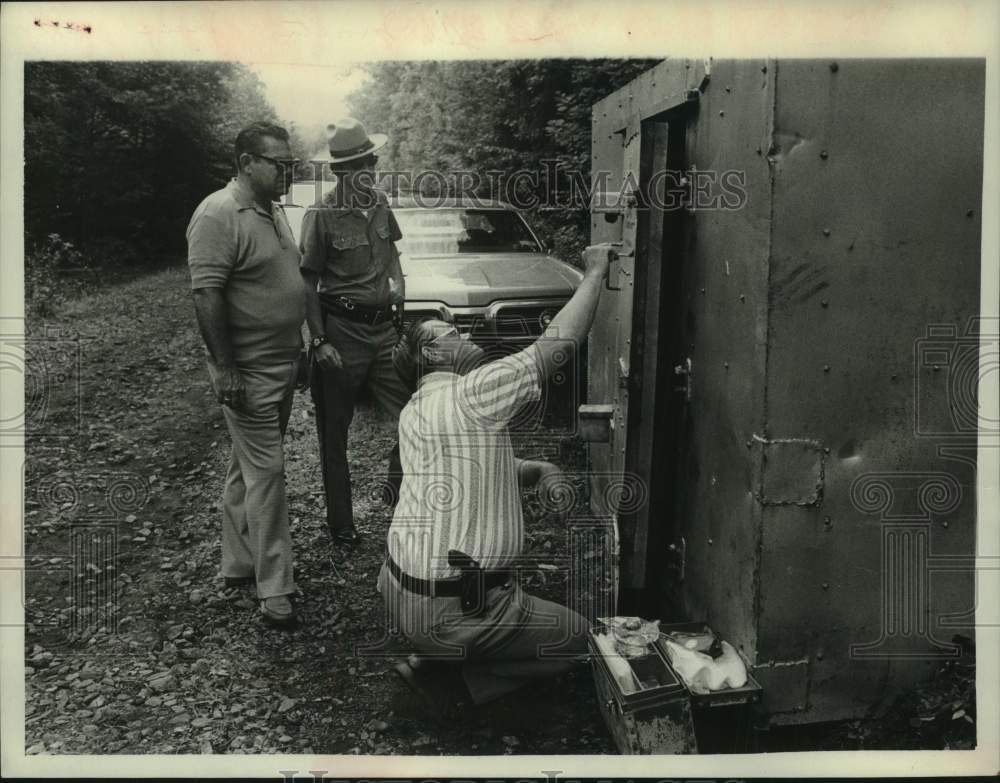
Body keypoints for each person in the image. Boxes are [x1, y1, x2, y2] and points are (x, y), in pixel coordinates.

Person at [379, 243, 616, 709]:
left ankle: (432, 654)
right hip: (456, 609)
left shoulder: (417, 410)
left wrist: (538, 468)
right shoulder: (473, 393)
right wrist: (594, 272)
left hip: (399, 593)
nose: (463, 332)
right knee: (583, 643)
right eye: (451, 331)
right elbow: (555, 349)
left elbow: (466, 469)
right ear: (434, 352)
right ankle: (454, 686)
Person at [186, 122, 305, 627]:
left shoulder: (272, 211)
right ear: (245, 162)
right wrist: (226, 368)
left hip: (281, 364)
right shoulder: (218, 213)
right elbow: (206, 293)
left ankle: (237, 563)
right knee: (269, 472)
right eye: (278, 162)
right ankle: (274, 589)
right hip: (249, 371)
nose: (287, 171)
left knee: (247, 467)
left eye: (289, 162)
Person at [299, 117, 410, 547]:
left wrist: (401, 289)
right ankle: (341, 525)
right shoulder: (321, 215)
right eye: (361, 163)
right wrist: (319, 340)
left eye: (372, 160)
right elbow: (307, 281)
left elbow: (394, 254)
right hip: (341, 334)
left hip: (384, 333)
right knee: (334, 432)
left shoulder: (381, 202)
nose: (371, 168)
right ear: (340, 171)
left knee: (412, 419)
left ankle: (398, 493)